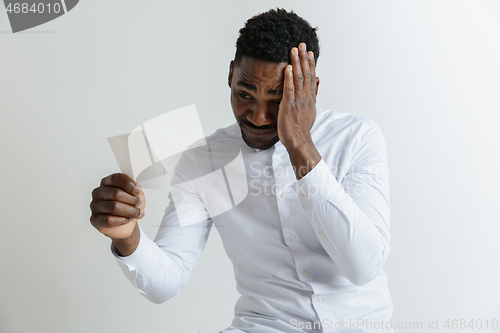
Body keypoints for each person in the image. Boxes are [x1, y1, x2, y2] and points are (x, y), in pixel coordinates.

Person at [90, 8, 394, 333]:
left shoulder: (357, 138)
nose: (257, 117)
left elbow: (364, 266)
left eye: (277, 101)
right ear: (231, 75)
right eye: (244, 94)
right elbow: (165, 282)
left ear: (311, 90)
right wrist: (127, 236)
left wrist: (300, 146)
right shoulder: (205, 161)